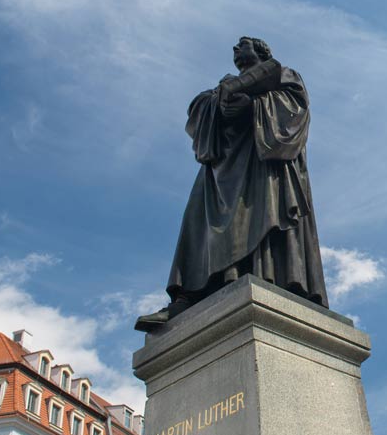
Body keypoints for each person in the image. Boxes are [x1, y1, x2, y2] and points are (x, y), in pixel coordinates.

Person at [135, 37, 327, 332]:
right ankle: (187, 296)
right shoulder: (220, 88)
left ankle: (259, 276)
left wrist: (252, 106)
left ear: (261, 52)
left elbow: (295, 110)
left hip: (262, 164)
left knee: (256, 214)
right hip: (221, 169)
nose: (236, 50)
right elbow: (198, 110)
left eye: (243, 45)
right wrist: (219, 103)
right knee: (198, 224)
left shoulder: (284, 75)